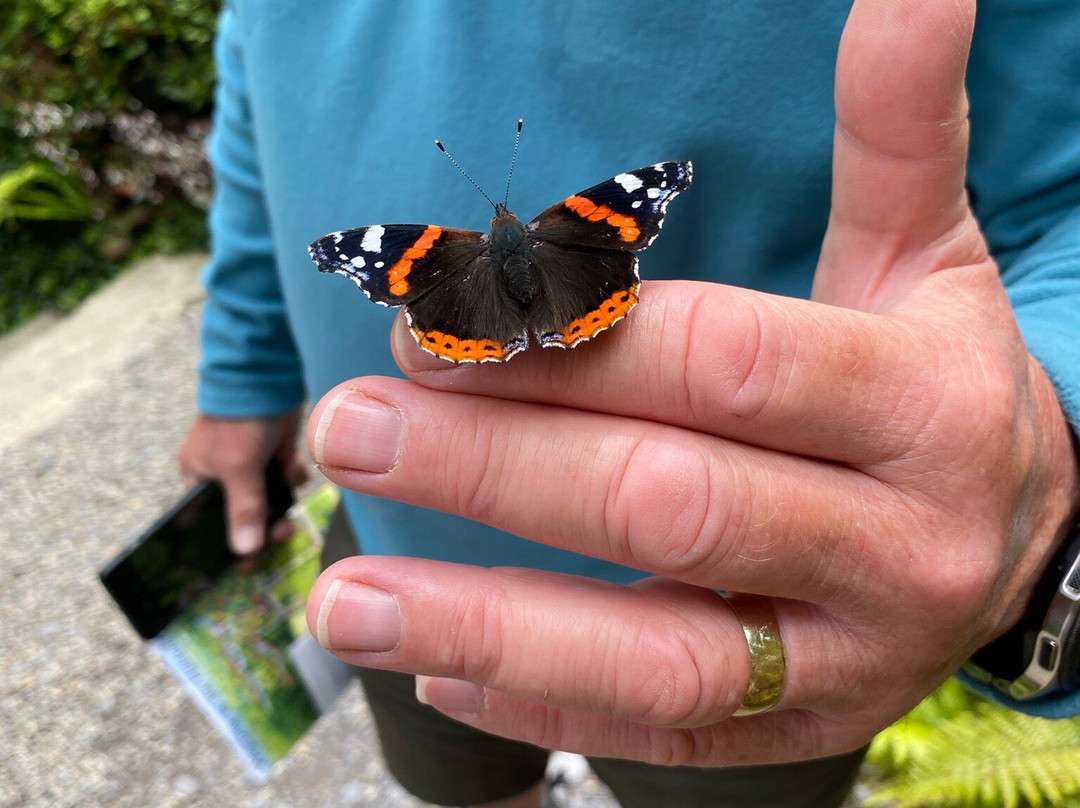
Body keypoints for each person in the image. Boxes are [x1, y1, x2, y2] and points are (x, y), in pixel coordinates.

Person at [180, 1, 1080, 806]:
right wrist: (241, 378)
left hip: (742, 600)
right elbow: (258, 99)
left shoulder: (430, 248)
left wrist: (1041, 456)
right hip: (401, 547)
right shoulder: (575, 216)